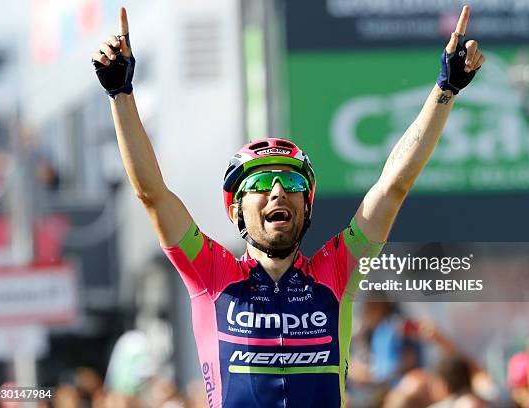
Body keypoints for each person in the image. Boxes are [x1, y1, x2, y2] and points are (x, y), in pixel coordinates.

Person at [91, 5, 485, 407]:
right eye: (261, 183)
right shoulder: (211, 272)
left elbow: (392, 186)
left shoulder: (336, 271)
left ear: (307, 208)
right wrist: (119, 94)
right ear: (236, 212)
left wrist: (446, 90)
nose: (278, 191)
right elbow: (152, 194)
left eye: (293, 183)